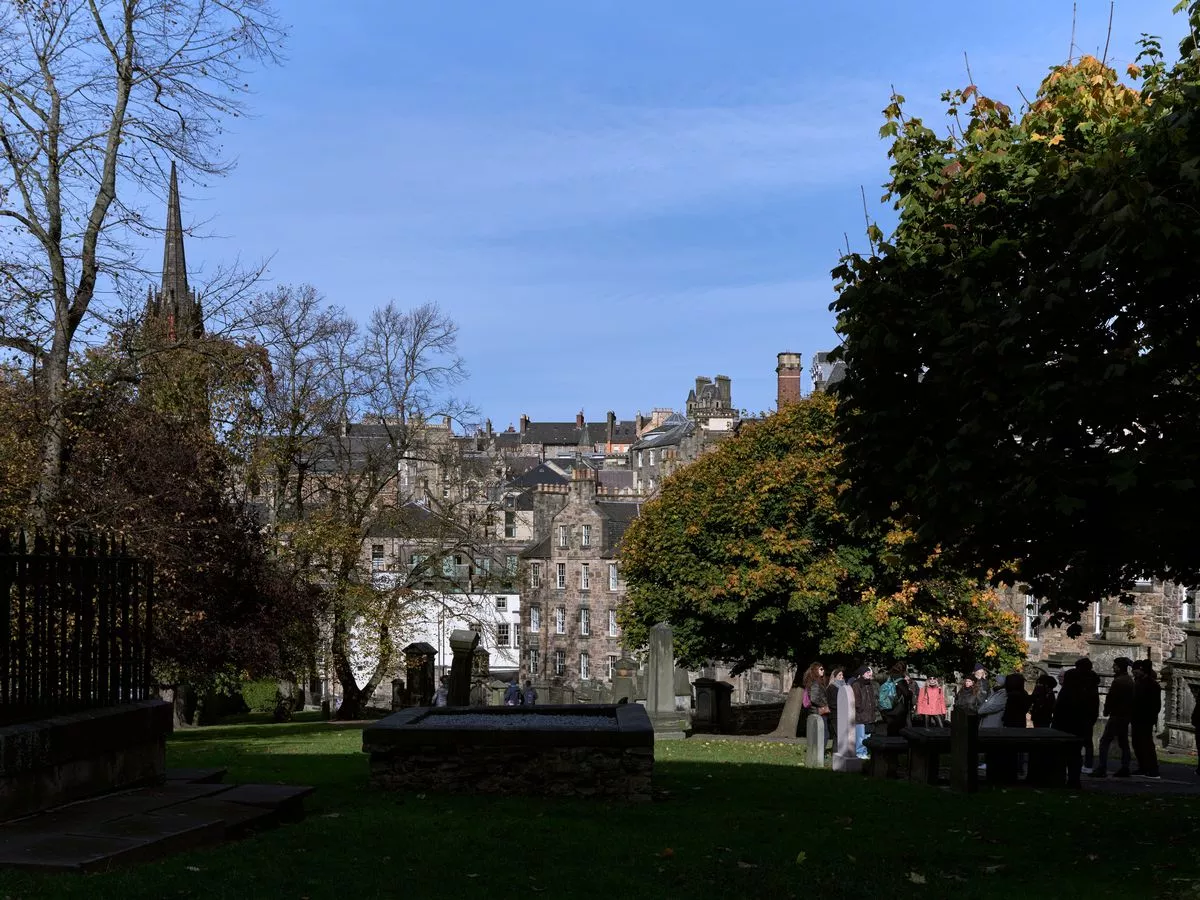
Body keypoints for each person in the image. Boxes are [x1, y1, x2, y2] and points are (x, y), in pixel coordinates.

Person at [1091, 657, 1134, 778]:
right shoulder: (1129, 680)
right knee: (1123, 742)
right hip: (1125, 716)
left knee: (1105, 741)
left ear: (1119, 667)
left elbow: (1111, 698)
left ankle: (1102, 767)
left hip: (1117, 715)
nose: (1113, 668)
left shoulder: (1119, 681)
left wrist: (1106, 710)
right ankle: (1125, 767)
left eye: (1115, 666)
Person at [1130, 660, 1162, 779]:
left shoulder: (1151, 684)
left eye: (1136, 670)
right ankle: (1143, 767)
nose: (1134, 673)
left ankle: (1153, 769)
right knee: (1137, 743)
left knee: (1147, 744)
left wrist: (1150, 717)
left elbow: (1155, 705)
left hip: (1145, 718)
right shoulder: (1139, 682)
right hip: (1137, 717)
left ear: (1142, 670)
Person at [850, 665, 877, 759]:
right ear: (862, 674)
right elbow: (856, 700)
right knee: (860, 736)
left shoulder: (869, 684)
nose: (869, 674)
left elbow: (872, 699)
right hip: (860, 715)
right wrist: (860, 709)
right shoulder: (857, 684)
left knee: (867, 735)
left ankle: (864, 752)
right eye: (867, 672)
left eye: (869, 672)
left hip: (869, 714)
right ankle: (859, 752)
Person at [803, 662, 831, 749]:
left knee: (820, 734)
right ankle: (819, 754)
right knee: (824, 734)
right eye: (821, 669)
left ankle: (817, 753)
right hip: (819, 712)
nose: (823, 671)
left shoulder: (817, 682)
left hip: (817, 712)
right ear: (815, 670)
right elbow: (814, 698)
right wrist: (825, 705)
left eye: (823, 669)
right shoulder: (815, 683)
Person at [879, 662, 911, 737]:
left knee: (890, 731)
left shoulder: (888, 677)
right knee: (898, 733)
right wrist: (910, 692)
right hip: (898, 710)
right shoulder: (900, 679)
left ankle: (889, 747)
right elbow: (906, 694)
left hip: (887, 708)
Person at [826, 666, 846, 752]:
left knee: (837, 736)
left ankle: (836, 752)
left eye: (842, 675)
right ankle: (839, 752)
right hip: (835, 715)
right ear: (834, 677)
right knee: (839, 734)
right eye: (839, 675)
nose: (841, 677)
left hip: (842, 714)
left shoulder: (844, 687)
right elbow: (832, 703)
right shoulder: (832, 687)